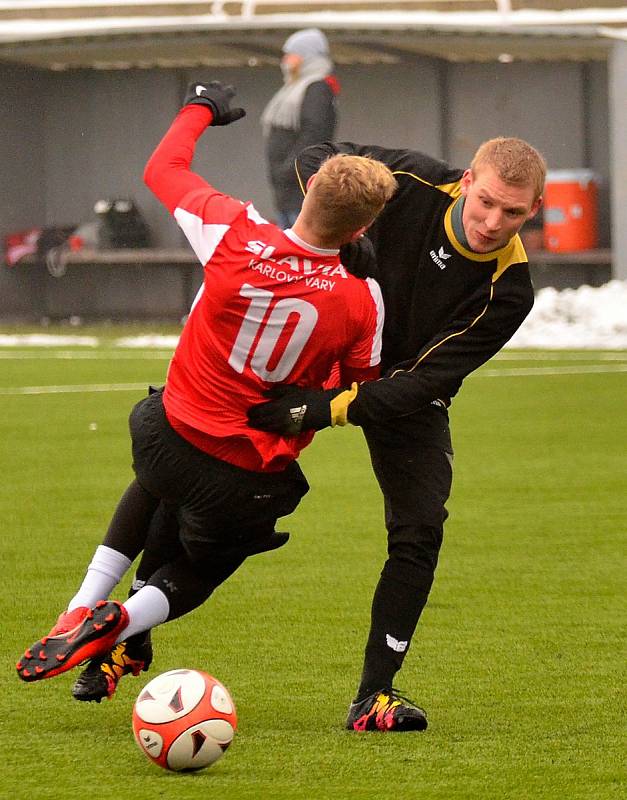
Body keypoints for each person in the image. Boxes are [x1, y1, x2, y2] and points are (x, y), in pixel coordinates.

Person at [16, 81, 399, 706]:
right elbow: (361, 388)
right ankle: (125, 622)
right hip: (245, 470)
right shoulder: (362, 297)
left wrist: (202, 107)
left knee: (158, 484)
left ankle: (85, 606)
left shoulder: (231, 230)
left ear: (306, 190)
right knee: (200, 567)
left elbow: (162, 168)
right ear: (366, 225)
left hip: (167, 434)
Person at [248, 136, 546, 732]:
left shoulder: (509, 291)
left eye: (512, 212)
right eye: (485, 201)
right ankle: (125, 630)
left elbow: (420, 383)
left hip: (401, 390)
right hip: (328, 339)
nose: (492, 222)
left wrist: (321, 409)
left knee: (420, 528)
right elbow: (314, 157)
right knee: (212, 470)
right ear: (466, 180)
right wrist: (347, 232)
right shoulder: (411, 178)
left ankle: (373, 697)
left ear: (533, 209)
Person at [261, 28, 339, 228]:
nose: (285, 60)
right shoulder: (293, 87)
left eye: (291, 54)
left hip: (300, 188)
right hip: (286, 190)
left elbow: (314, 133)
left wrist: (289, 168)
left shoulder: (317, 88)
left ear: (306, 56)